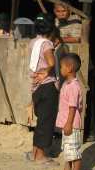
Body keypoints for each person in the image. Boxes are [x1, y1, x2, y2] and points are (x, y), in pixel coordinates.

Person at [26, 14, 59, 163]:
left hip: (36, 88)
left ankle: (34, 152)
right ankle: (40, 156)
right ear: (51, 28)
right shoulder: (46, 44)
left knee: (41, 121)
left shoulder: (33, 42)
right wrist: (47, 70)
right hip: (47, 86)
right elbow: (50, 61)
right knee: (46, 122)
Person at [57, 53, 84, 170]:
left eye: (62, 67)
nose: (60, 69)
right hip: (67, 125)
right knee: (68, 152)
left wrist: (69, 124)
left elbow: (73, 107)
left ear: (69, 68)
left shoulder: (73, 86)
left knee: (74, 154)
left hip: (71, 125)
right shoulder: (66, 84)